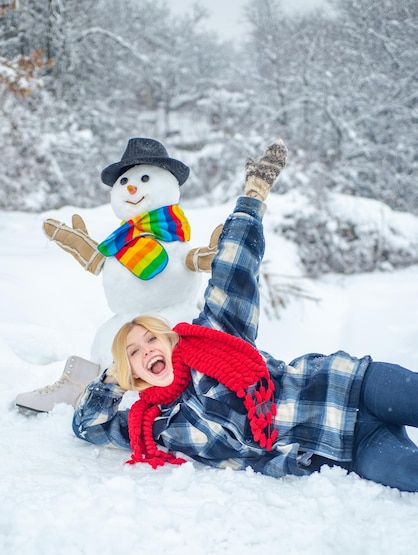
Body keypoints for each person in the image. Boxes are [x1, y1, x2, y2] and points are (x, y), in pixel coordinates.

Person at [73, 139, 418, 493]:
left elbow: (234, 271)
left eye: (150, 338)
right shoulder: (152, 426)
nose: (145, 350)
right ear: (132, 372)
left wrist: (251, 200)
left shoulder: (215, 338)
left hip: (352, 386)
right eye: (132, 352)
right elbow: (89, 427)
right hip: (350, 449)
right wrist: (110, 382)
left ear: (170, 340)